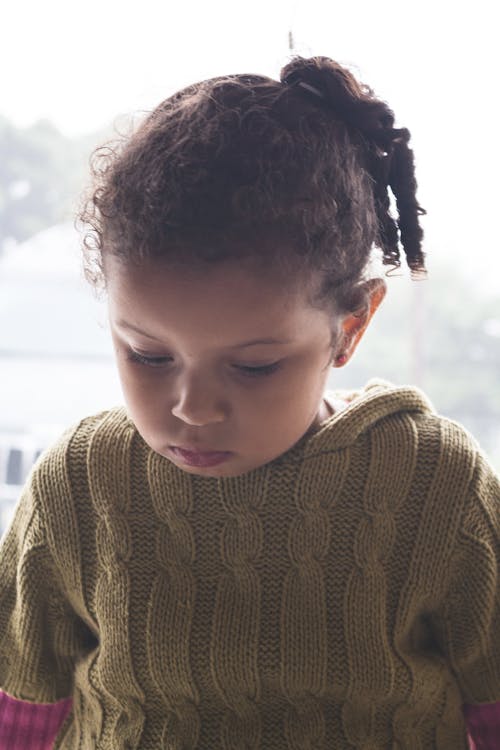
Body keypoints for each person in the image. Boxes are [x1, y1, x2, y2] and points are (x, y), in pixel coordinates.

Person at [0, 55, 498, 750]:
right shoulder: (79, 483)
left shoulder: (433, 483)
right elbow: (24, 700)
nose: (193, 408)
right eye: (148, 355)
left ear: (350, 327)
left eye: (255, 366)